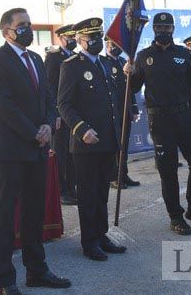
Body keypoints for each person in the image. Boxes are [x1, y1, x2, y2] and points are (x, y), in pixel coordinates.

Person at [0, 8, 71, 295]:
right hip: (10, 151)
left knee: (34, 213)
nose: (28, 29)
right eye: (22, 25)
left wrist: (47, 124)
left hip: (37, 147)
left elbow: (47, 96)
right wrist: (34, 132)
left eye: (29, 23)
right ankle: (5, 280)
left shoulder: (35, 58)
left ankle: (36, 270)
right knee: (6, 216)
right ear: (6, 31)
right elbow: (4, 106)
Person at [125, 12, 191, 236]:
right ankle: (175, 215)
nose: (163, 32)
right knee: (168, 170)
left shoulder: (184, 55)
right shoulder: (144, 56)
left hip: (186, 117)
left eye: (167, 29)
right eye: (159, 29)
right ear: (153, 30)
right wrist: (129, 73)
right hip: (160, 120)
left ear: (173, 30)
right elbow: (134, 88)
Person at [58, 18, 127, 261]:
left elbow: (111, 100)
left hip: (107, 139)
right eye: (91, 38)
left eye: (99, 37)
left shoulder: (106, 63)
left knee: (101, 191)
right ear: (79, 40)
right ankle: (89, 241)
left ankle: (101, 234)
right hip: (86, 142)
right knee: (87, 193)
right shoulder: (72, 66)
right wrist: (81, 129)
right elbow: (64, 104)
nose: (97, 41)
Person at [44, 24, 78, 205]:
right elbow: (49, 87)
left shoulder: (75, 57)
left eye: (75, 37)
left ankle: (71, 186)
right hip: (60, 113)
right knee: (61, 153)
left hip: (73, 113)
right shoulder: (54, 58)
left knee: (73, 153)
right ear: (61, 38)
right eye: (69, 37)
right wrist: (54, 113)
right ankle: (62, 189)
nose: (73, 40)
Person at [102, 36, 140, 189]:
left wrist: (134, 108)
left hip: (125, 110)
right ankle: (114, 177)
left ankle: (123, 174)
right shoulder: (103, 62)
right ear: (107, 44)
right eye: (112, 44)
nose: (115, 47)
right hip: (112, 112)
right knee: (114, 145)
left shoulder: (123, 62)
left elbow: (129, 89)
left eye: (118, 44)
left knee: (124, 144)